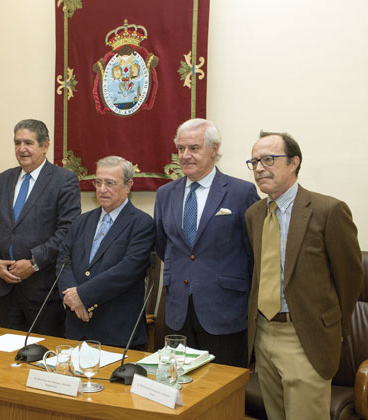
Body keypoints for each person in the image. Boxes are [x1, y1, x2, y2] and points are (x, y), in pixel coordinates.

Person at [245, 131, 363, 420]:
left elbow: (350, 279)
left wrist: (332, 329)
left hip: (305, 337)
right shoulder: (253, 214)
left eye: (269, 159)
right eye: (255, 161)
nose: (260, 168)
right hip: (263, 334)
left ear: (294, 162)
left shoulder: (327, 210)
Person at [154, 118, 260, 367]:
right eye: (181, 148)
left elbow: (254, 251)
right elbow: (163, 244)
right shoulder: (165, 194)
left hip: (225, 312)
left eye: (194, 148)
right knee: (179, 388)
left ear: (214, 149)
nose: (185, 155)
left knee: (223, 394)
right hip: (178, 311)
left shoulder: (241, 192)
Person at [0, 119, 81, 337]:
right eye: (17, 143)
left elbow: (67, 230)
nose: (21, 149)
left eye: (28, 142)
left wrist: (34, 263)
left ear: (45, 145)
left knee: (42, 356)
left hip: (43, 289)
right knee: (8, 356)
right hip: (6, 287)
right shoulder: (3, 179)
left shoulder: (64, 180)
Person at [58, 156, 155, 348]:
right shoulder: (81, 221)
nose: (102, 189)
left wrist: (83, 296)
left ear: (128, 185)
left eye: (110, 183)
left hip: (117, 331)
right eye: (98, 182)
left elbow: (128, 270)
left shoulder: (142, 223)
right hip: (77, 327)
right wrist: (72, 299)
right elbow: (63, 261)